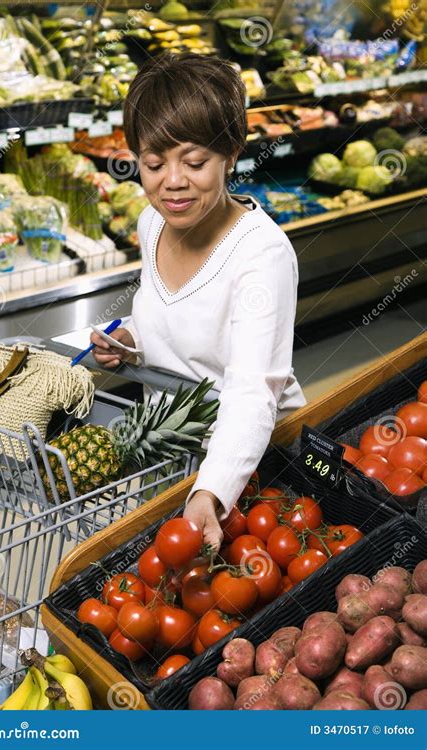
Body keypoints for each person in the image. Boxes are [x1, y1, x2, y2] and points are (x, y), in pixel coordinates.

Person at [91, 53, 306, 551]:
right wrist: (130, 339)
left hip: (249, 467)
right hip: (172, 453)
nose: (172, 181)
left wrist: (211, 491)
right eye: (152, 163)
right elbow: (170, 315)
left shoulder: (261, 254)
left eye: (194, 161)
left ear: (230, 153)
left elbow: (253, 392)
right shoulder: (152, 225)